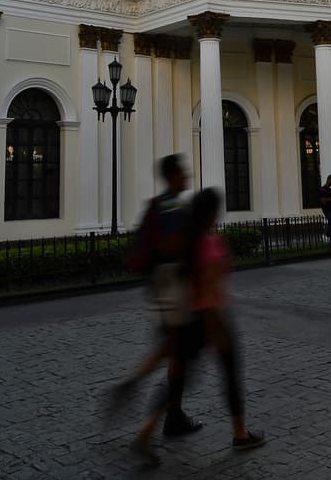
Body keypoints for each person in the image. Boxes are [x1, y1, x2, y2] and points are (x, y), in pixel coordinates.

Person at [163, 188, 266, 456]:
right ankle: (240, 433)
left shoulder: (189, 242)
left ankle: (155, 423)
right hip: (212, 319)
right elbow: (210, 285)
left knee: (182, 372)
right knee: (228, 373)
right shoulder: (209, 243)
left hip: (191, 317)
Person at [127, 154, 202, 463]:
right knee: (182, 359)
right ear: (172, 175)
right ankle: (147, 431)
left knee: (175, 354)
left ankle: (171, 414)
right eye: (183, 172)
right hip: (174, 287)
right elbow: (172, 245)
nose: (187, 176)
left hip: (165, 286)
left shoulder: (164, 204)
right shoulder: (172, 207)